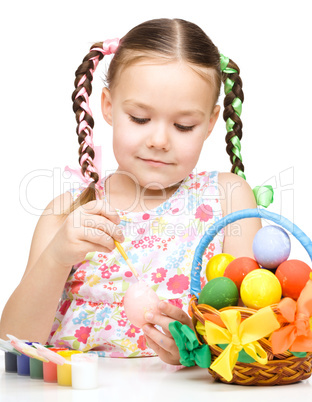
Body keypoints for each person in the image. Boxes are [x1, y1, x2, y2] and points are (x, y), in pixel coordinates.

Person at [0, 18, 261, 365]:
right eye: (139, 118)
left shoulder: (228, 200)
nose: (159, 140)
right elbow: (13, 343)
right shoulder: (69, 213)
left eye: (184, 125)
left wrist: (199, 348)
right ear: (108, 106)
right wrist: (56, 257)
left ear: (211, 122)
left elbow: (255, 334)